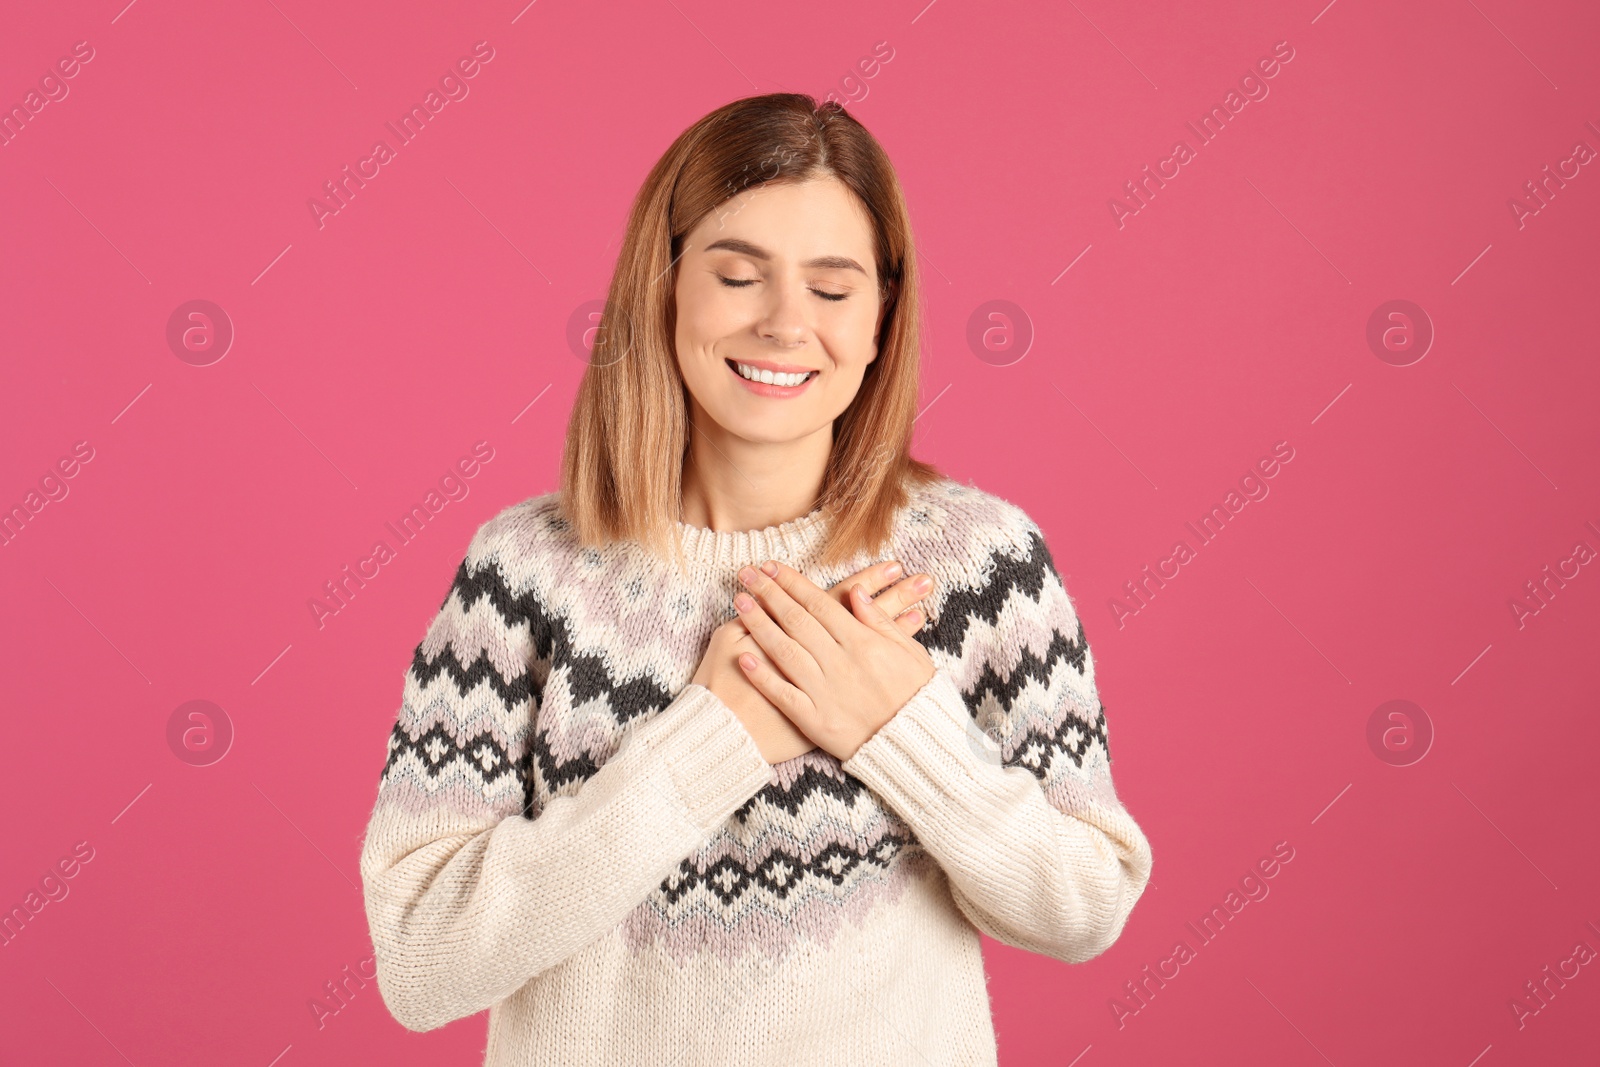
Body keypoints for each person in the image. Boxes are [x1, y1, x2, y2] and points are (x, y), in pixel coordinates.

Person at [358, 92, 1152, 1066]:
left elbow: (1081, 906)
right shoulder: (524, 575)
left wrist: (898, 724)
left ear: (879, 321)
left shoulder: (977, 564)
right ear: (666, 286)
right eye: (739, 275)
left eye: (831, 289)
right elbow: (421, 958)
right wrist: (713, 740)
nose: (785, 323)